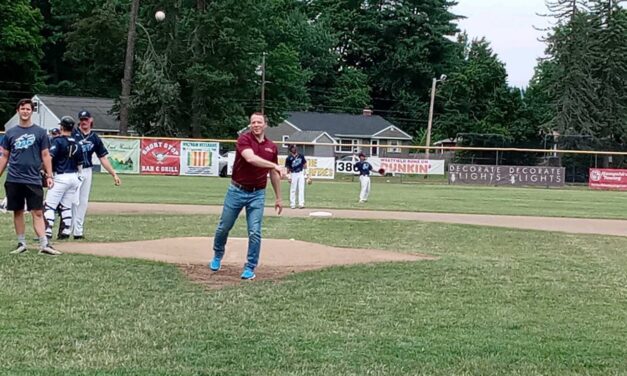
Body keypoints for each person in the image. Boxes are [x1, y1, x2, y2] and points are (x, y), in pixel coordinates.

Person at [209, 112, 285, 280]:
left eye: (259, 122)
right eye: (253, 122)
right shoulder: (244, 139)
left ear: (265, 125)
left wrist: (278, 197)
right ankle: (217, 254)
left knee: (255, 231)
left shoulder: (271, 147)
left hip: (257, 194)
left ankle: (250, 266)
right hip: (236, 190)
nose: (256, 125)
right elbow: (251, 159)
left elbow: (273, 173)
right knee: (224, 227)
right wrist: (275, 165)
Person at [0, 98, 59, 255]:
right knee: (17, 211)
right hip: (14, 178)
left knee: (38, 212)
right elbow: (5, 156)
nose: (25, 111)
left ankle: (44, 244)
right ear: (18, 111)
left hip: (33, 178)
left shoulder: (40, 132)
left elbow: (46, 155)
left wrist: (49, 175)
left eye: (28, 109)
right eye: (22, 109)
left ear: (31, 112)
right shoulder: (11, 133)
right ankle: (21, 243)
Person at [71, 110, 121, 239]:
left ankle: (78, 231)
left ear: (91, 120)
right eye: (82, 120)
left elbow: (103, 158)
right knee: (73, 200)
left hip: (87, 170)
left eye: (86, 119)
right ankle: (67, 228)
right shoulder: (73, 134)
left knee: (83, 201)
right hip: (74, 170)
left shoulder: (94, 138)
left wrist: (113, 174)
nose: (84, 122)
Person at [44, 116, 84, 240]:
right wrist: (79, 176)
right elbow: (80, 163)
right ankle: (66, 231)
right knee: (66, 206)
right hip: (74, 176)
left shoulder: (58, 141)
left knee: (49, 206)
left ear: (61, 127)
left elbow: (49, 157)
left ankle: (48, 230)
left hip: (61, 176)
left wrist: (47, 173)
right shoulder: (78, 142)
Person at [285, 144, 308, 209]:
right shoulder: (289, 158)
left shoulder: (301, 156)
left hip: (300, 173)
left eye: (295, 148)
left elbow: (305, 164)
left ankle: (301, 204)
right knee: (293, 189)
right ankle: (292, 204)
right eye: (293, 148)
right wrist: (289, 177)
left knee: (301, 188)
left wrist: (306, 174)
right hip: (293, 174)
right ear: (291, 149)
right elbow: (288, 168)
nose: (295, 149)